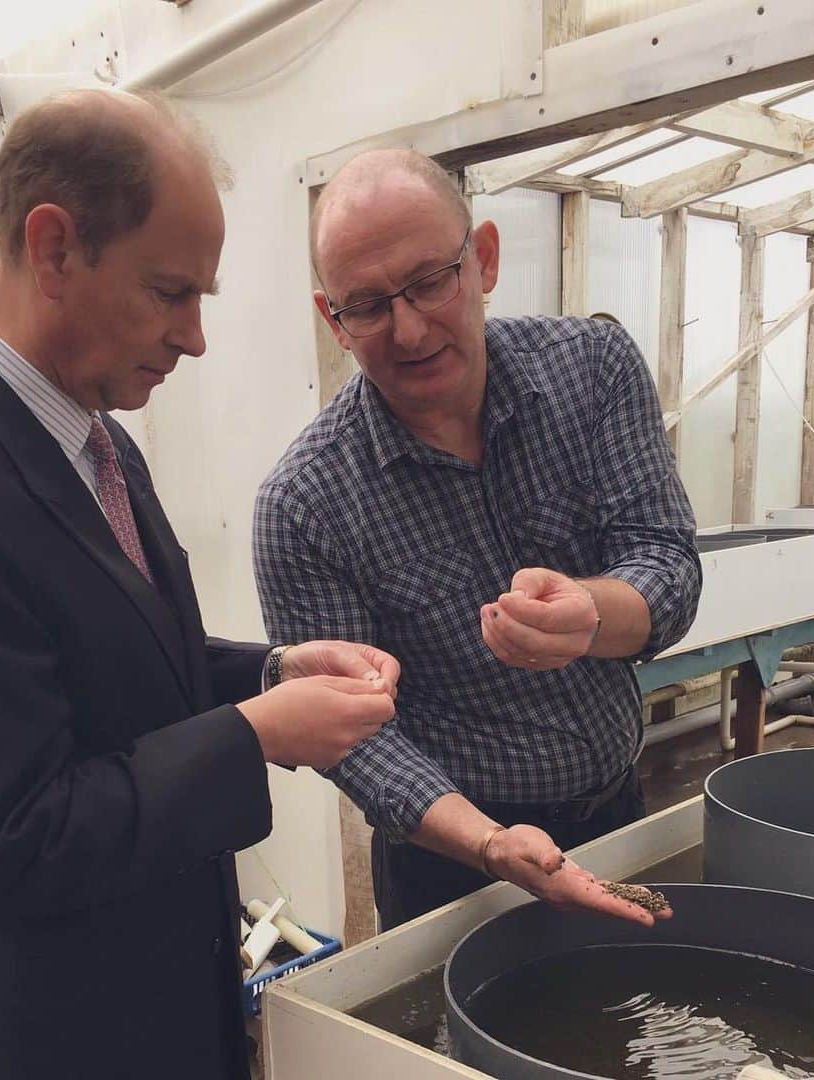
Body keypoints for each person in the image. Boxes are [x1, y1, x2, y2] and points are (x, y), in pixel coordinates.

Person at [0, 90, 400, 1080]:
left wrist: (271, 670)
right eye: (171, 291)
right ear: (52, 249)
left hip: (161, 1000)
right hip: (47, 1035)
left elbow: (115, 671)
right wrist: (261, 733)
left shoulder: (95, 443)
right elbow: (14, 840)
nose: (195, 337)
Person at [253, 149, 701, 931]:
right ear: (334, 320)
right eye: (367, 305)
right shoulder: (305, 505)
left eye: (431, 281)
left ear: (483, 259)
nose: (409, 328)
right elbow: (354, 736)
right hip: (452, 867)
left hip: (620, 810)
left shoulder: (591, 372)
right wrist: (492, 845)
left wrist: (592, 613)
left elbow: (666, 559)